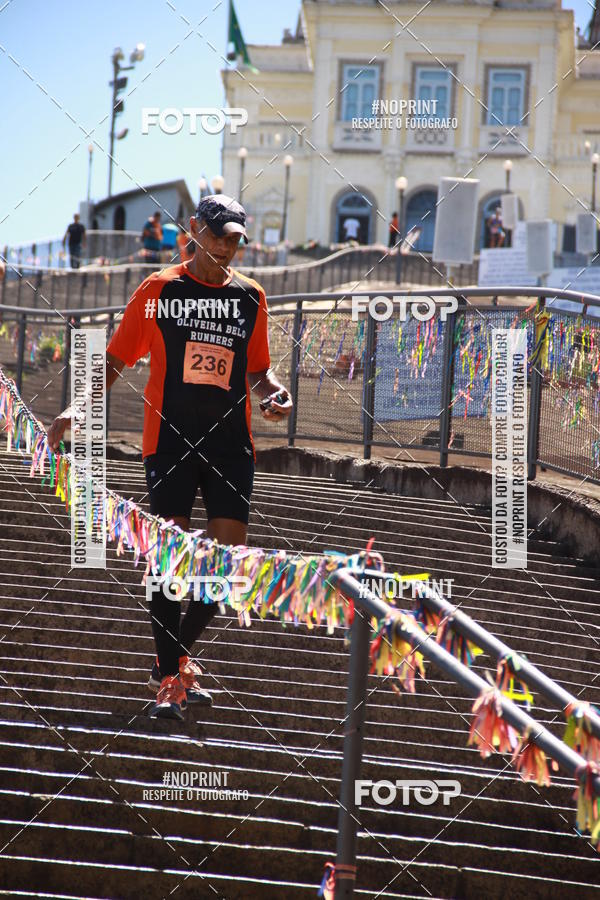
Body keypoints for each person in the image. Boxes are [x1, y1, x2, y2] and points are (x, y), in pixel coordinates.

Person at [48, 194, 293, 721]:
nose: (228, 247)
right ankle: (169, 677)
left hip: (231, 446)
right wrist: (75, 410)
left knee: (226, 568)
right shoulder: (159, 290)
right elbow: (113, 359)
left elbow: (257, 370)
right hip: (171, 440)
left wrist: (274, 393)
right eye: (220, 234)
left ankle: (174, 662)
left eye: (236, 240)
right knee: (171, 559)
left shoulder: (251, 297)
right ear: (195, 229)